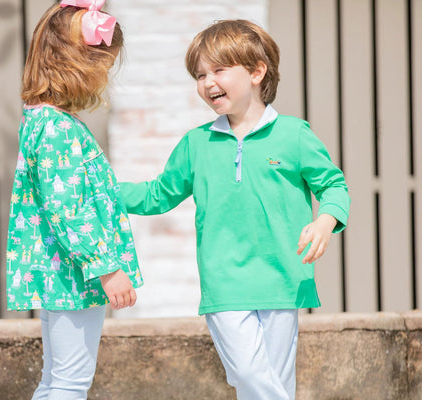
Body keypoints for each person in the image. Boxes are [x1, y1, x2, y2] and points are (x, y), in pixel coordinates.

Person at [120, 19, 350, 400]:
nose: (208, 82)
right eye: (199, 74)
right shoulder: (197, 143)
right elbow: (157, 194)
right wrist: (103, 192)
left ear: (257, 71)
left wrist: (326, 220)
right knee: (249, 374)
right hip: (224, 283)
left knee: (272, 382)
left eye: (219, 70)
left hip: (283, 281)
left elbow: (334, 186)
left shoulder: (294, 135)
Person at [5, 1, 143, 399]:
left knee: (55, 379)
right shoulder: (59, 129)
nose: (103, 78)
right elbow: (70, 211)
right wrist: (106, 267)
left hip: (59, 272)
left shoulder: (38, 119)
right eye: (102, 67)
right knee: (69, 382)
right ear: (78, 65)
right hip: (75, 276)